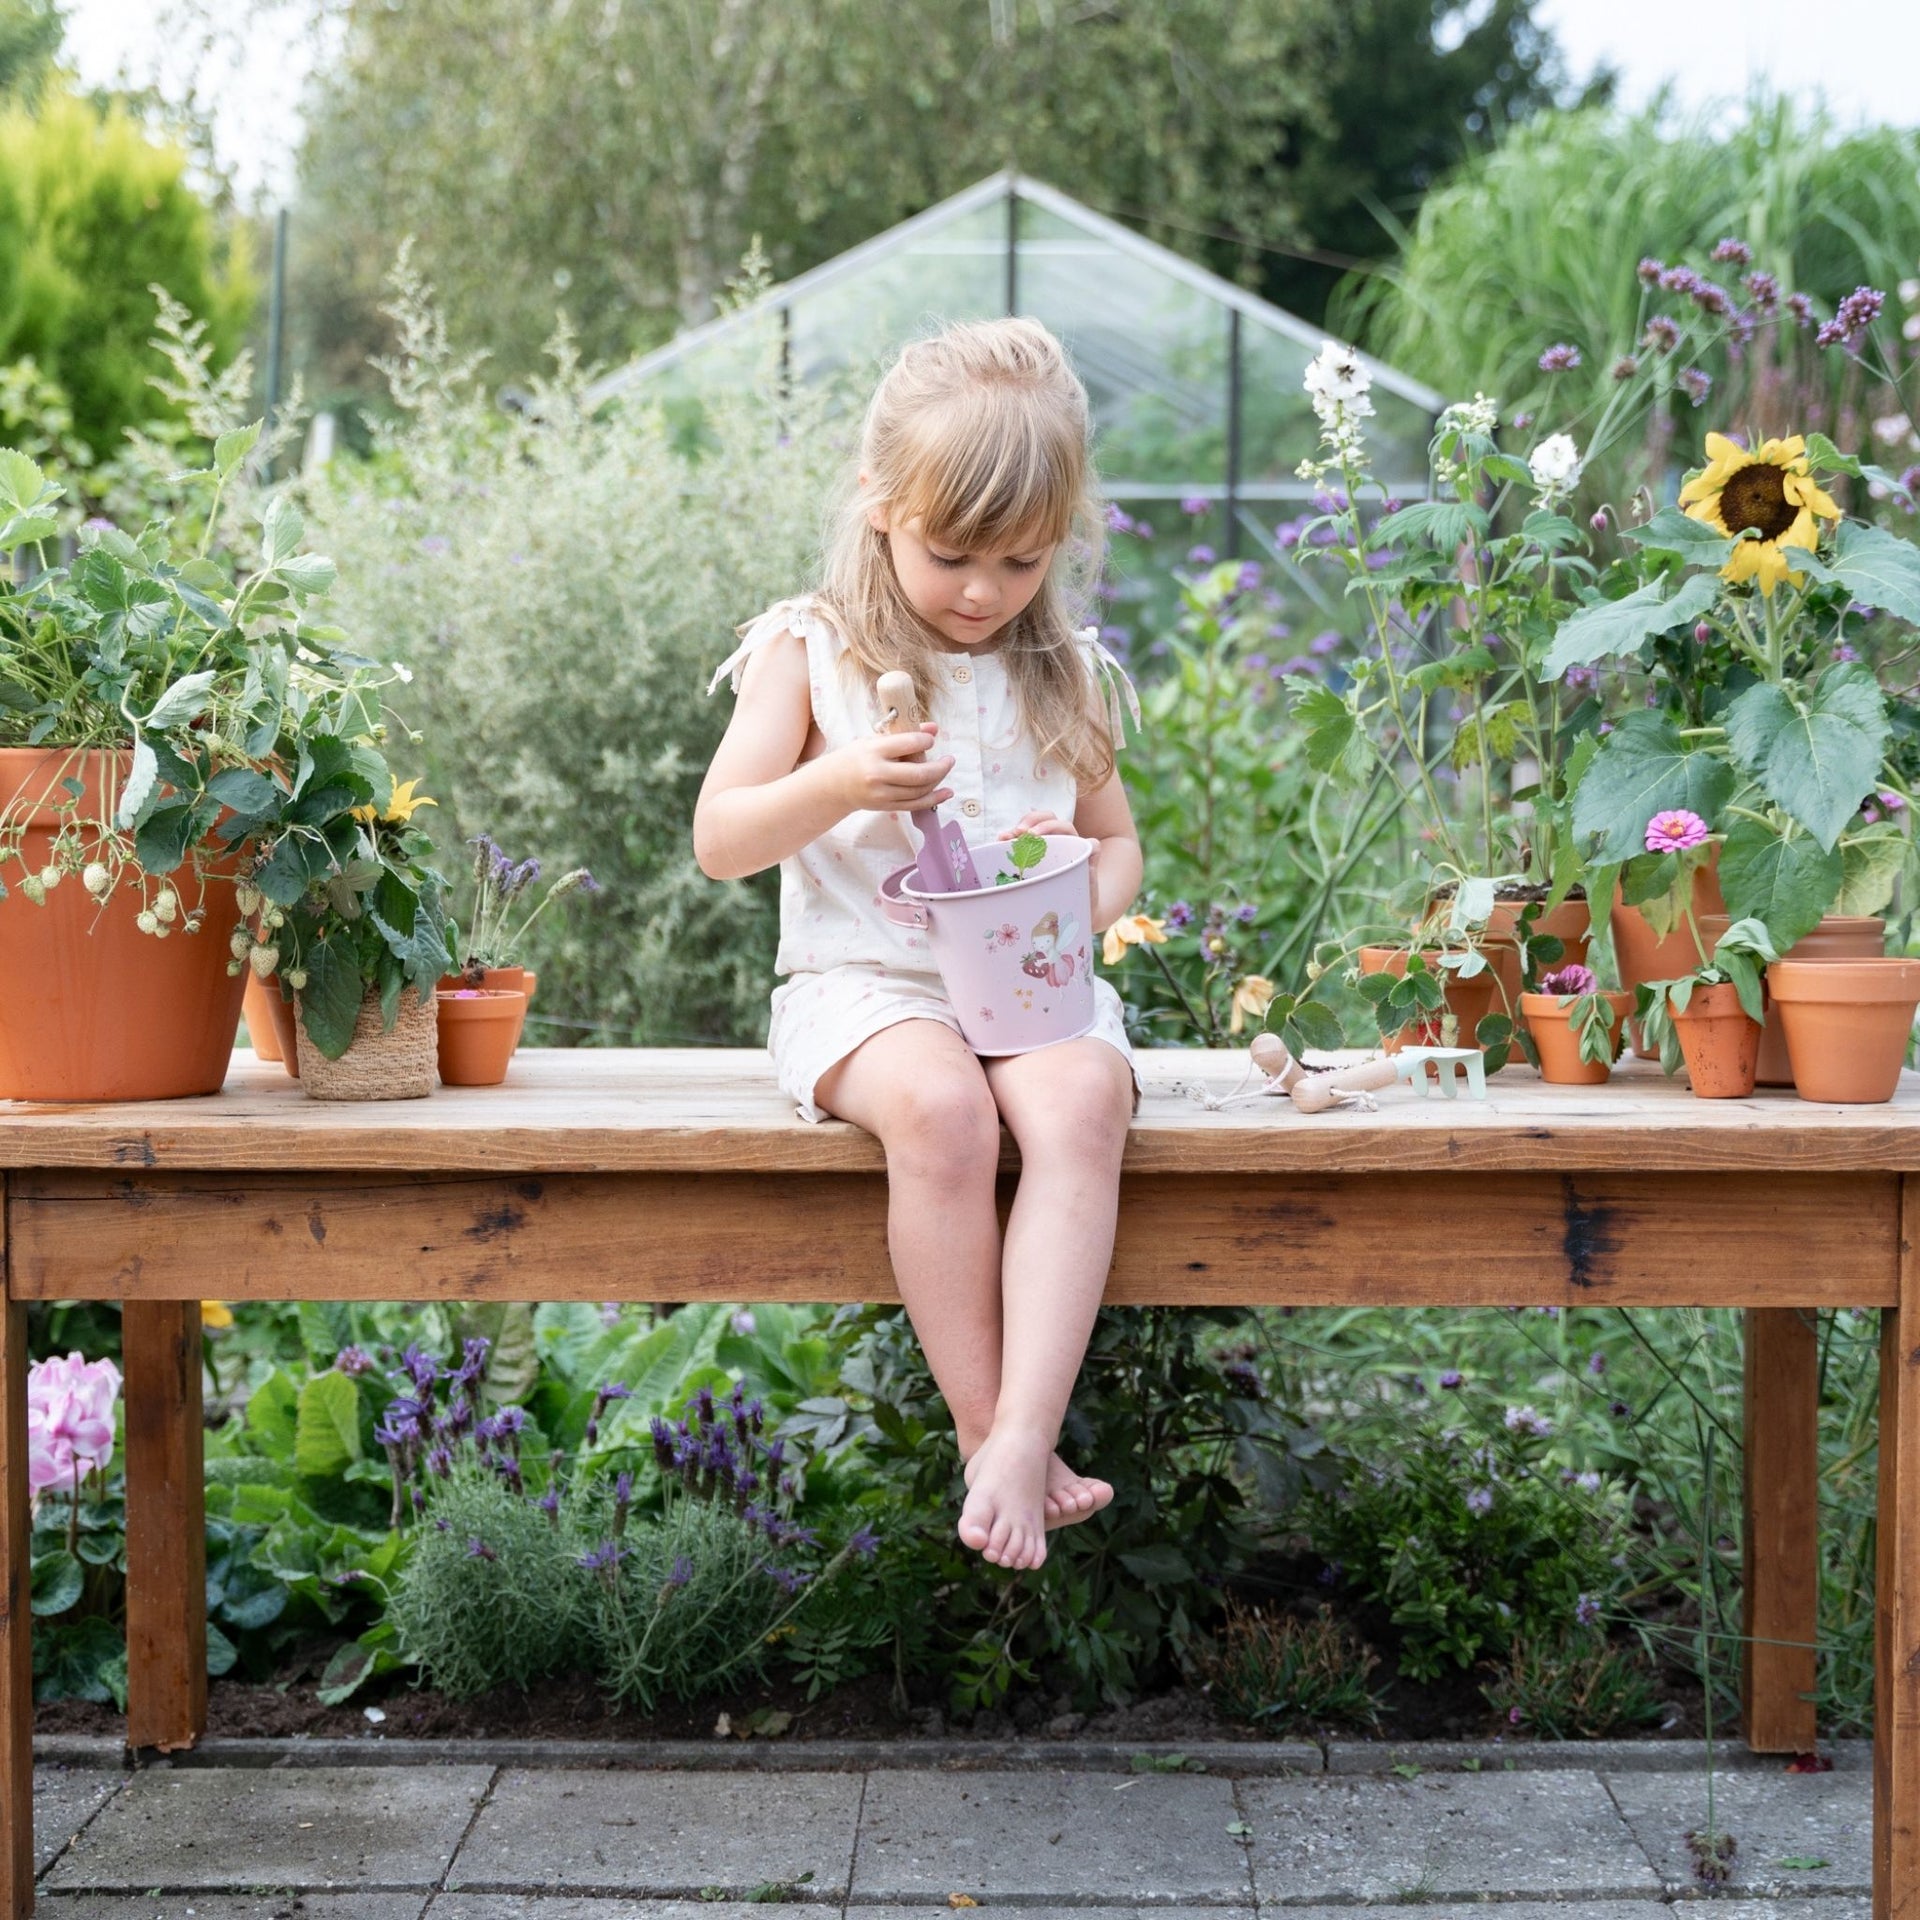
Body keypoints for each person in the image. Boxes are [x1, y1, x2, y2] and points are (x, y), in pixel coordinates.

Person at [693, 316, 1145, 1574]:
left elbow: (1117, 847)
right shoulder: (813, 652)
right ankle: (990, 1434)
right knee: (948, 1115)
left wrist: (1071, 911)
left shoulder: (1063, 671)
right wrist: (840, 783)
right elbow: (722, 838)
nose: (983, 593)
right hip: (865, 986)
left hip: (1028, 983)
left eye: (1020, 560)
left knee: (1085, 1099)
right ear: (877, 502)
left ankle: (1026, 1436)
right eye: (951, 554)